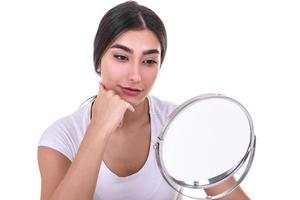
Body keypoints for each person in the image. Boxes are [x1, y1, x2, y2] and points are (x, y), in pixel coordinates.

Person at [37, 1, 250, 199]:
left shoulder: (177, 123)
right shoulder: (61, 138)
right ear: (98, 61)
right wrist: (99, 128)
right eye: (121, 57)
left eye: (149, 61)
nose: (136, 76)